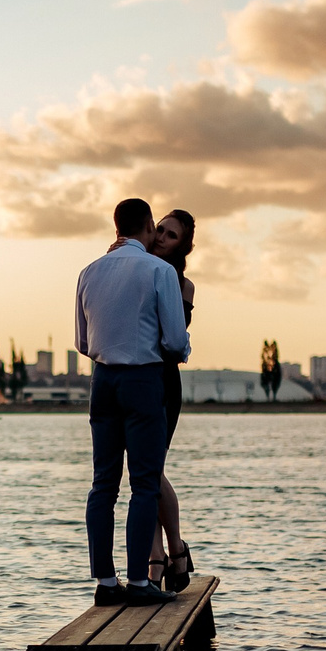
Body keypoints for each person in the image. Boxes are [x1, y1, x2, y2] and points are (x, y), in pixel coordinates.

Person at [74, 197, 189, 606]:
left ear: (116, 227)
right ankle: (140, 582)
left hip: (102, 382)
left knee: (103, 483)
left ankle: (106, 582)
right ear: (145, 227)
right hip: (143, 379)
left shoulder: (88, 272)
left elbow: (82, 342)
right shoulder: (159, 271)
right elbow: (175, 340)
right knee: (144, 483)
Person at [146, 209, 197, 590]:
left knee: (149, 471)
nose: (162, 237)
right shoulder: (136, 269)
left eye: (172, 235)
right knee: (141, 475)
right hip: (136, 378)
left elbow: (173, 339)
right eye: (159, 229)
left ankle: (170, 551)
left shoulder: (184, 286)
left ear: (185, 246)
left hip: (164, 381)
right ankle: (162, 555)